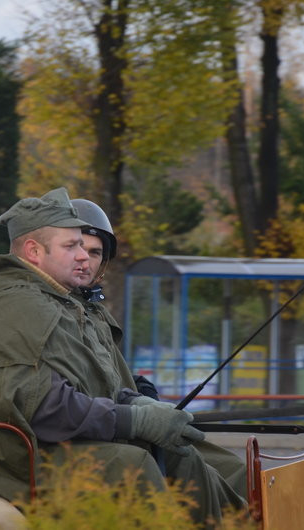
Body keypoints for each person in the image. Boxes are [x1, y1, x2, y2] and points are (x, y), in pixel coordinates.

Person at [0, 188, 245, 524]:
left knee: (181, 453)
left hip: (36, 444)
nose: (84, 257)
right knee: (133, 464)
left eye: (85, 247)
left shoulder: (54, 302)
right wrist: (135, 420)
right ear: (34, 251)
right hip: (3, 457)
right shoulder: (17, 306)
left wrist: (138, 403)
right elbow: (43, 408)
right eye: (72, 246)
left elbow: (92, 381)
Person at [71, 197, 248, 500]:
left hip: (122, 415)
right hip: (102, 431)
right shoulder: (58, 311)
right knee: (196, 467)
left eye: (95, 252)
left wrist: (140, 389)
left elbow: (109, 371)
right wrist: (137, 412)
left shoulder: (94, 310)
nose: (85, 259)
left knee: (235, 468)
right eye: (77, 248)